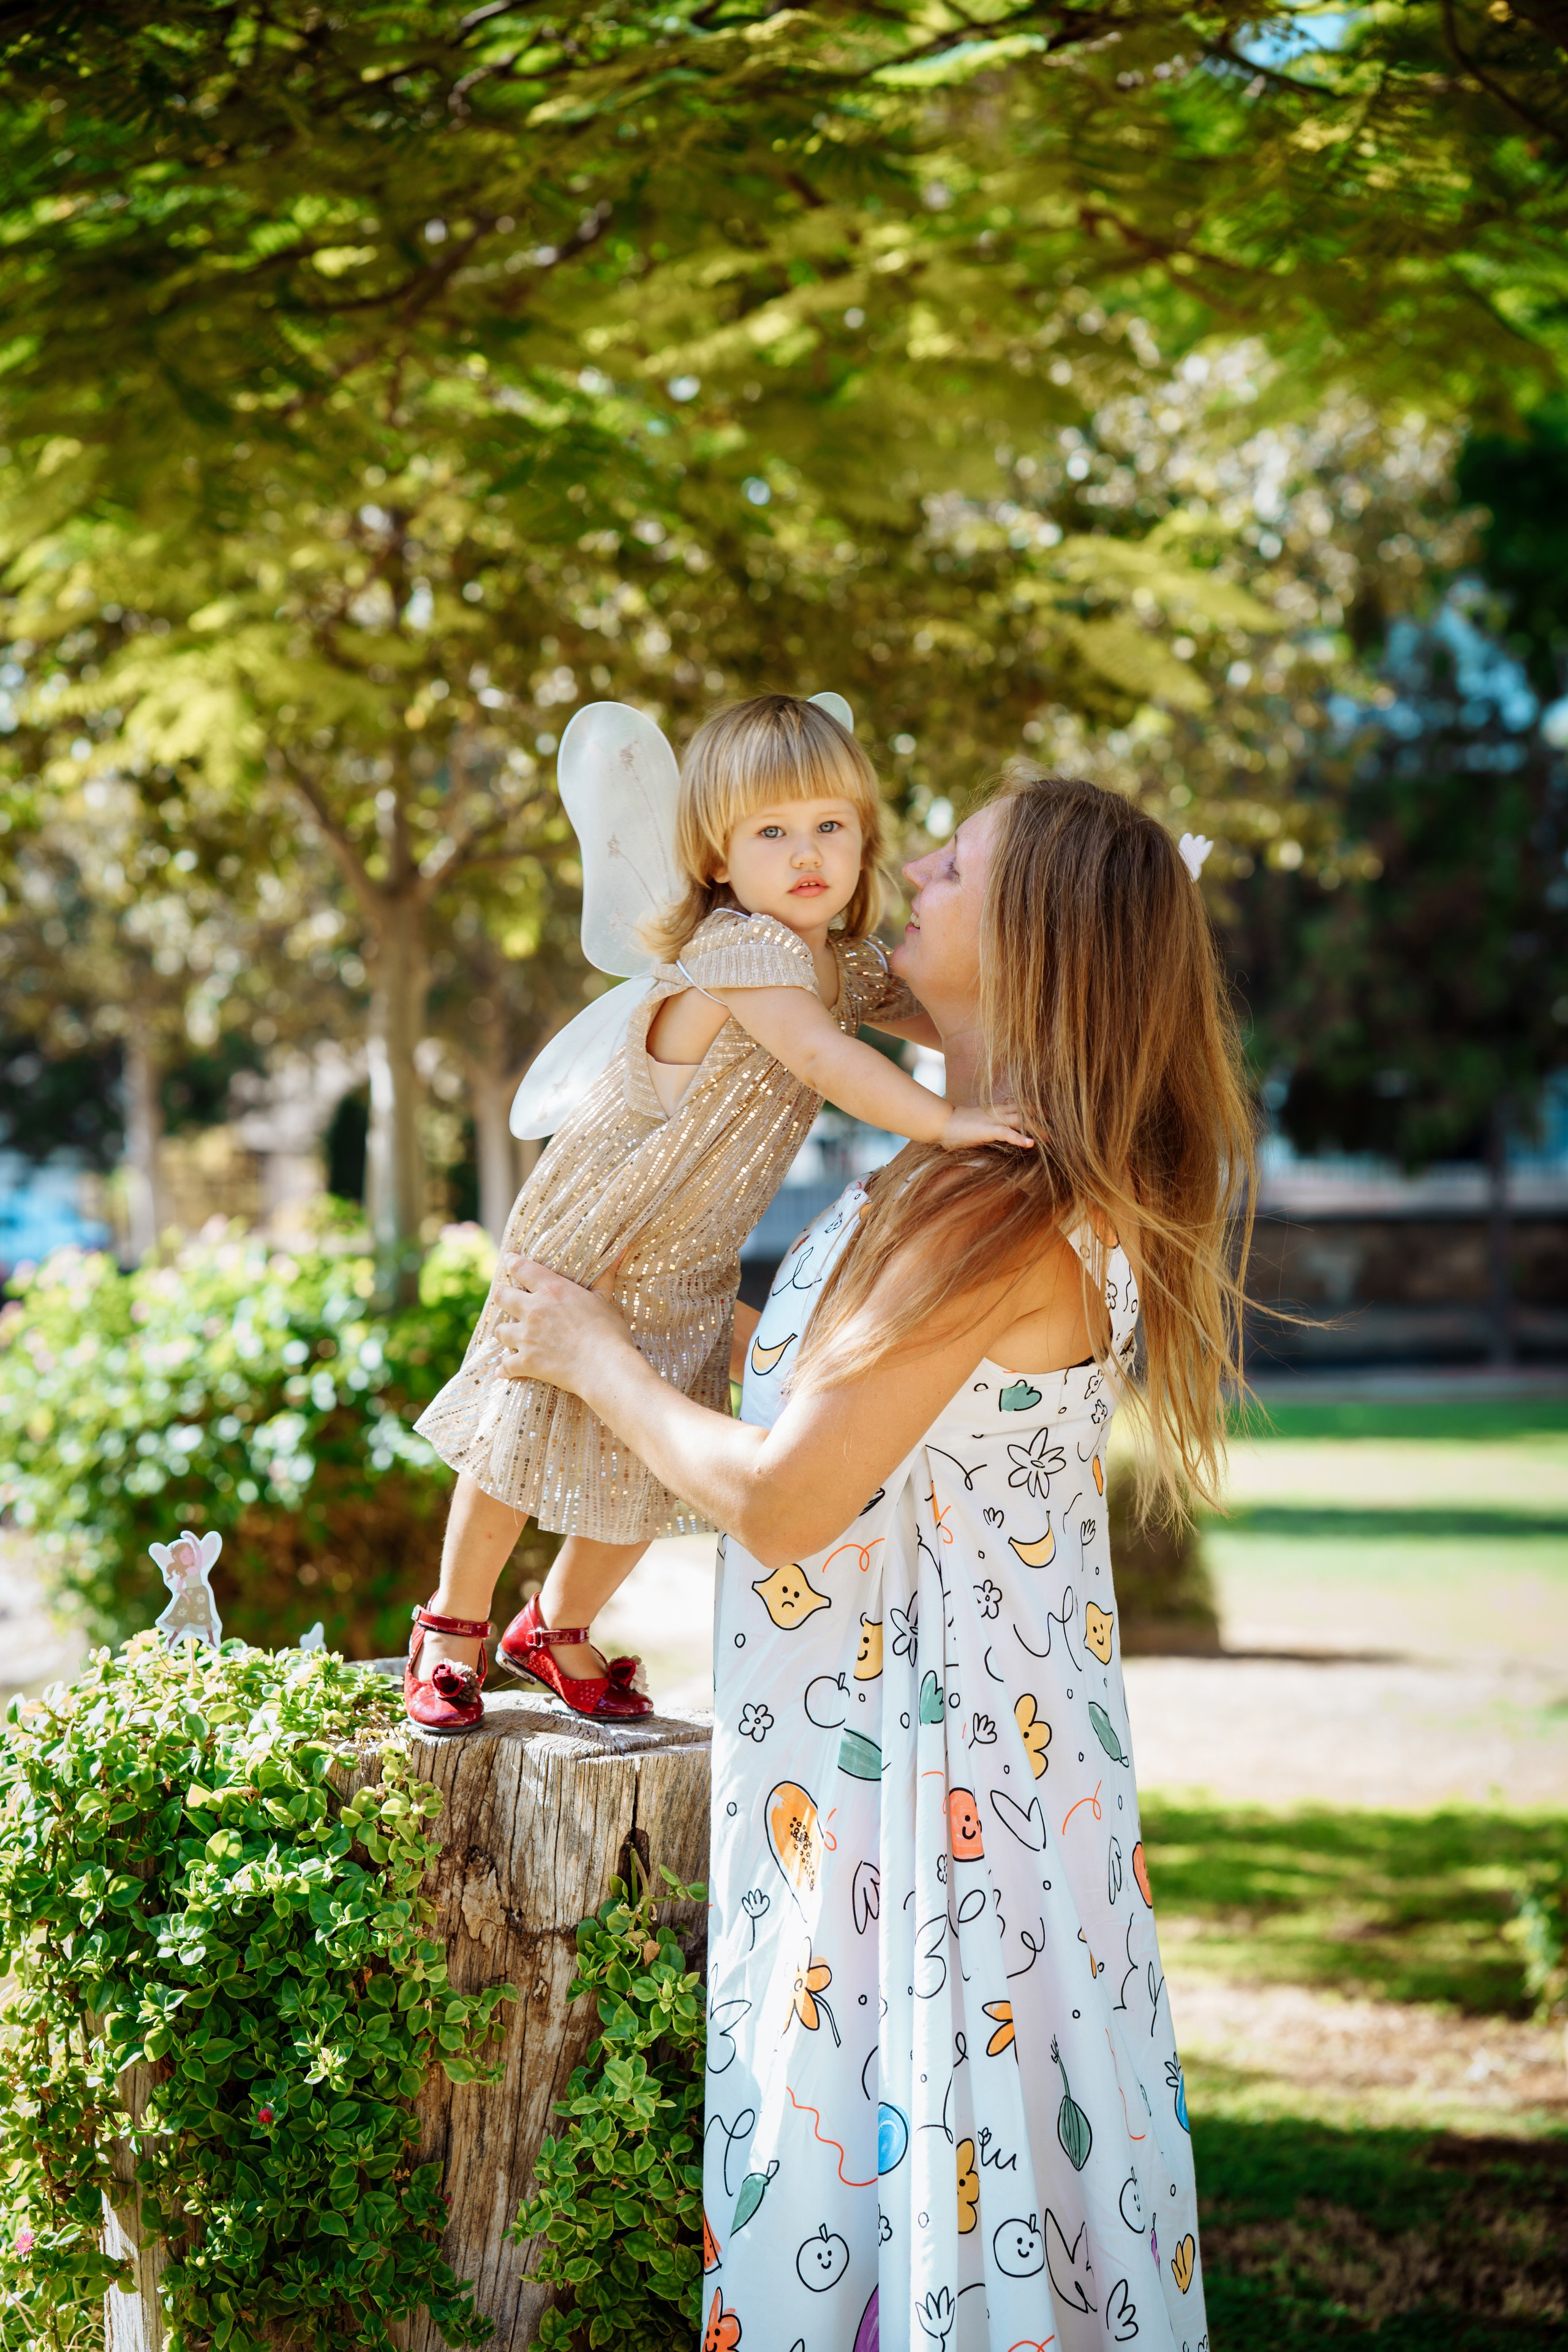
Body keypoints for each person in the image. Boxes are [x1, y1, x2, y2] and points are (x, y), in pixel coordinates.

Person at [489, 767, 1253, 2351]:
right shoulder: (978, 1172)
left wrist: (591, 1353)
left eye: (953, 866)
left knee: (882, 2169)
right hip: (972, 1781)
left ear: (1033, 942)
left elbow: (781, 1503)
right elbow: (869, 1426)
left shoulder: (986, 1202)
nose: (901, 871)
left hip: (919, 1800)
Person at [405, 695, 1030, 1732]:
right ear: (716, 858)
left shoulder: (840, 958)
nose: (805, 856)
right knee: (524, 1429)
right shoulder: (742, 949)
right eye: (771, 833)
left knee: (656, 1447)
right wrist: (952, 1122)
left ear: (865, 836)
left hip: (692, 1245)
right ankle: (453, 1625)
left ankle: (557, 1627)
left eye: (830, 826)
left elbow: (946, 1012)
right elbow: (831, 1063)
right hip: (607, 1216)